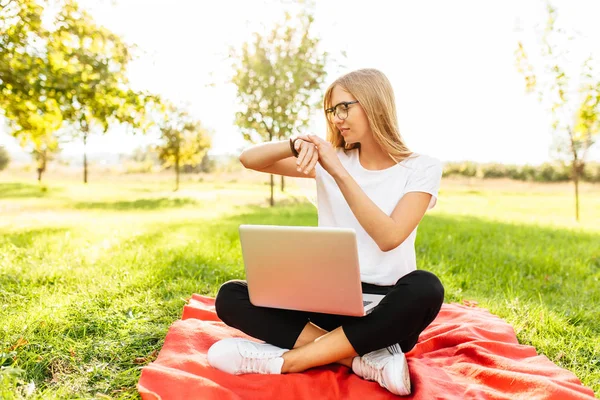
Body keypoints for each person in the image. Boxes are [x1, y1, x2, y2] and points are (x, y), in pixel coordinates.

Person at [207, 68, 444, 396]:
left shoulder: (422, 167)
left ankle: (291, 360)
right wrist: (295, 143)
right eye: (331, 111)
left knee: (427, 287)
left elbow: (389, 236)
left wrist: (337, 170)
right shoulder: (331, 158)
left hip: (387, 315)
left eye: (344, 107)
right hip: (327, 306)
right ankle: (360, 360)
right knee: (231, 295)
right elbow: (250, 159)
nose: (336, 119)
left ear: (375, 104)